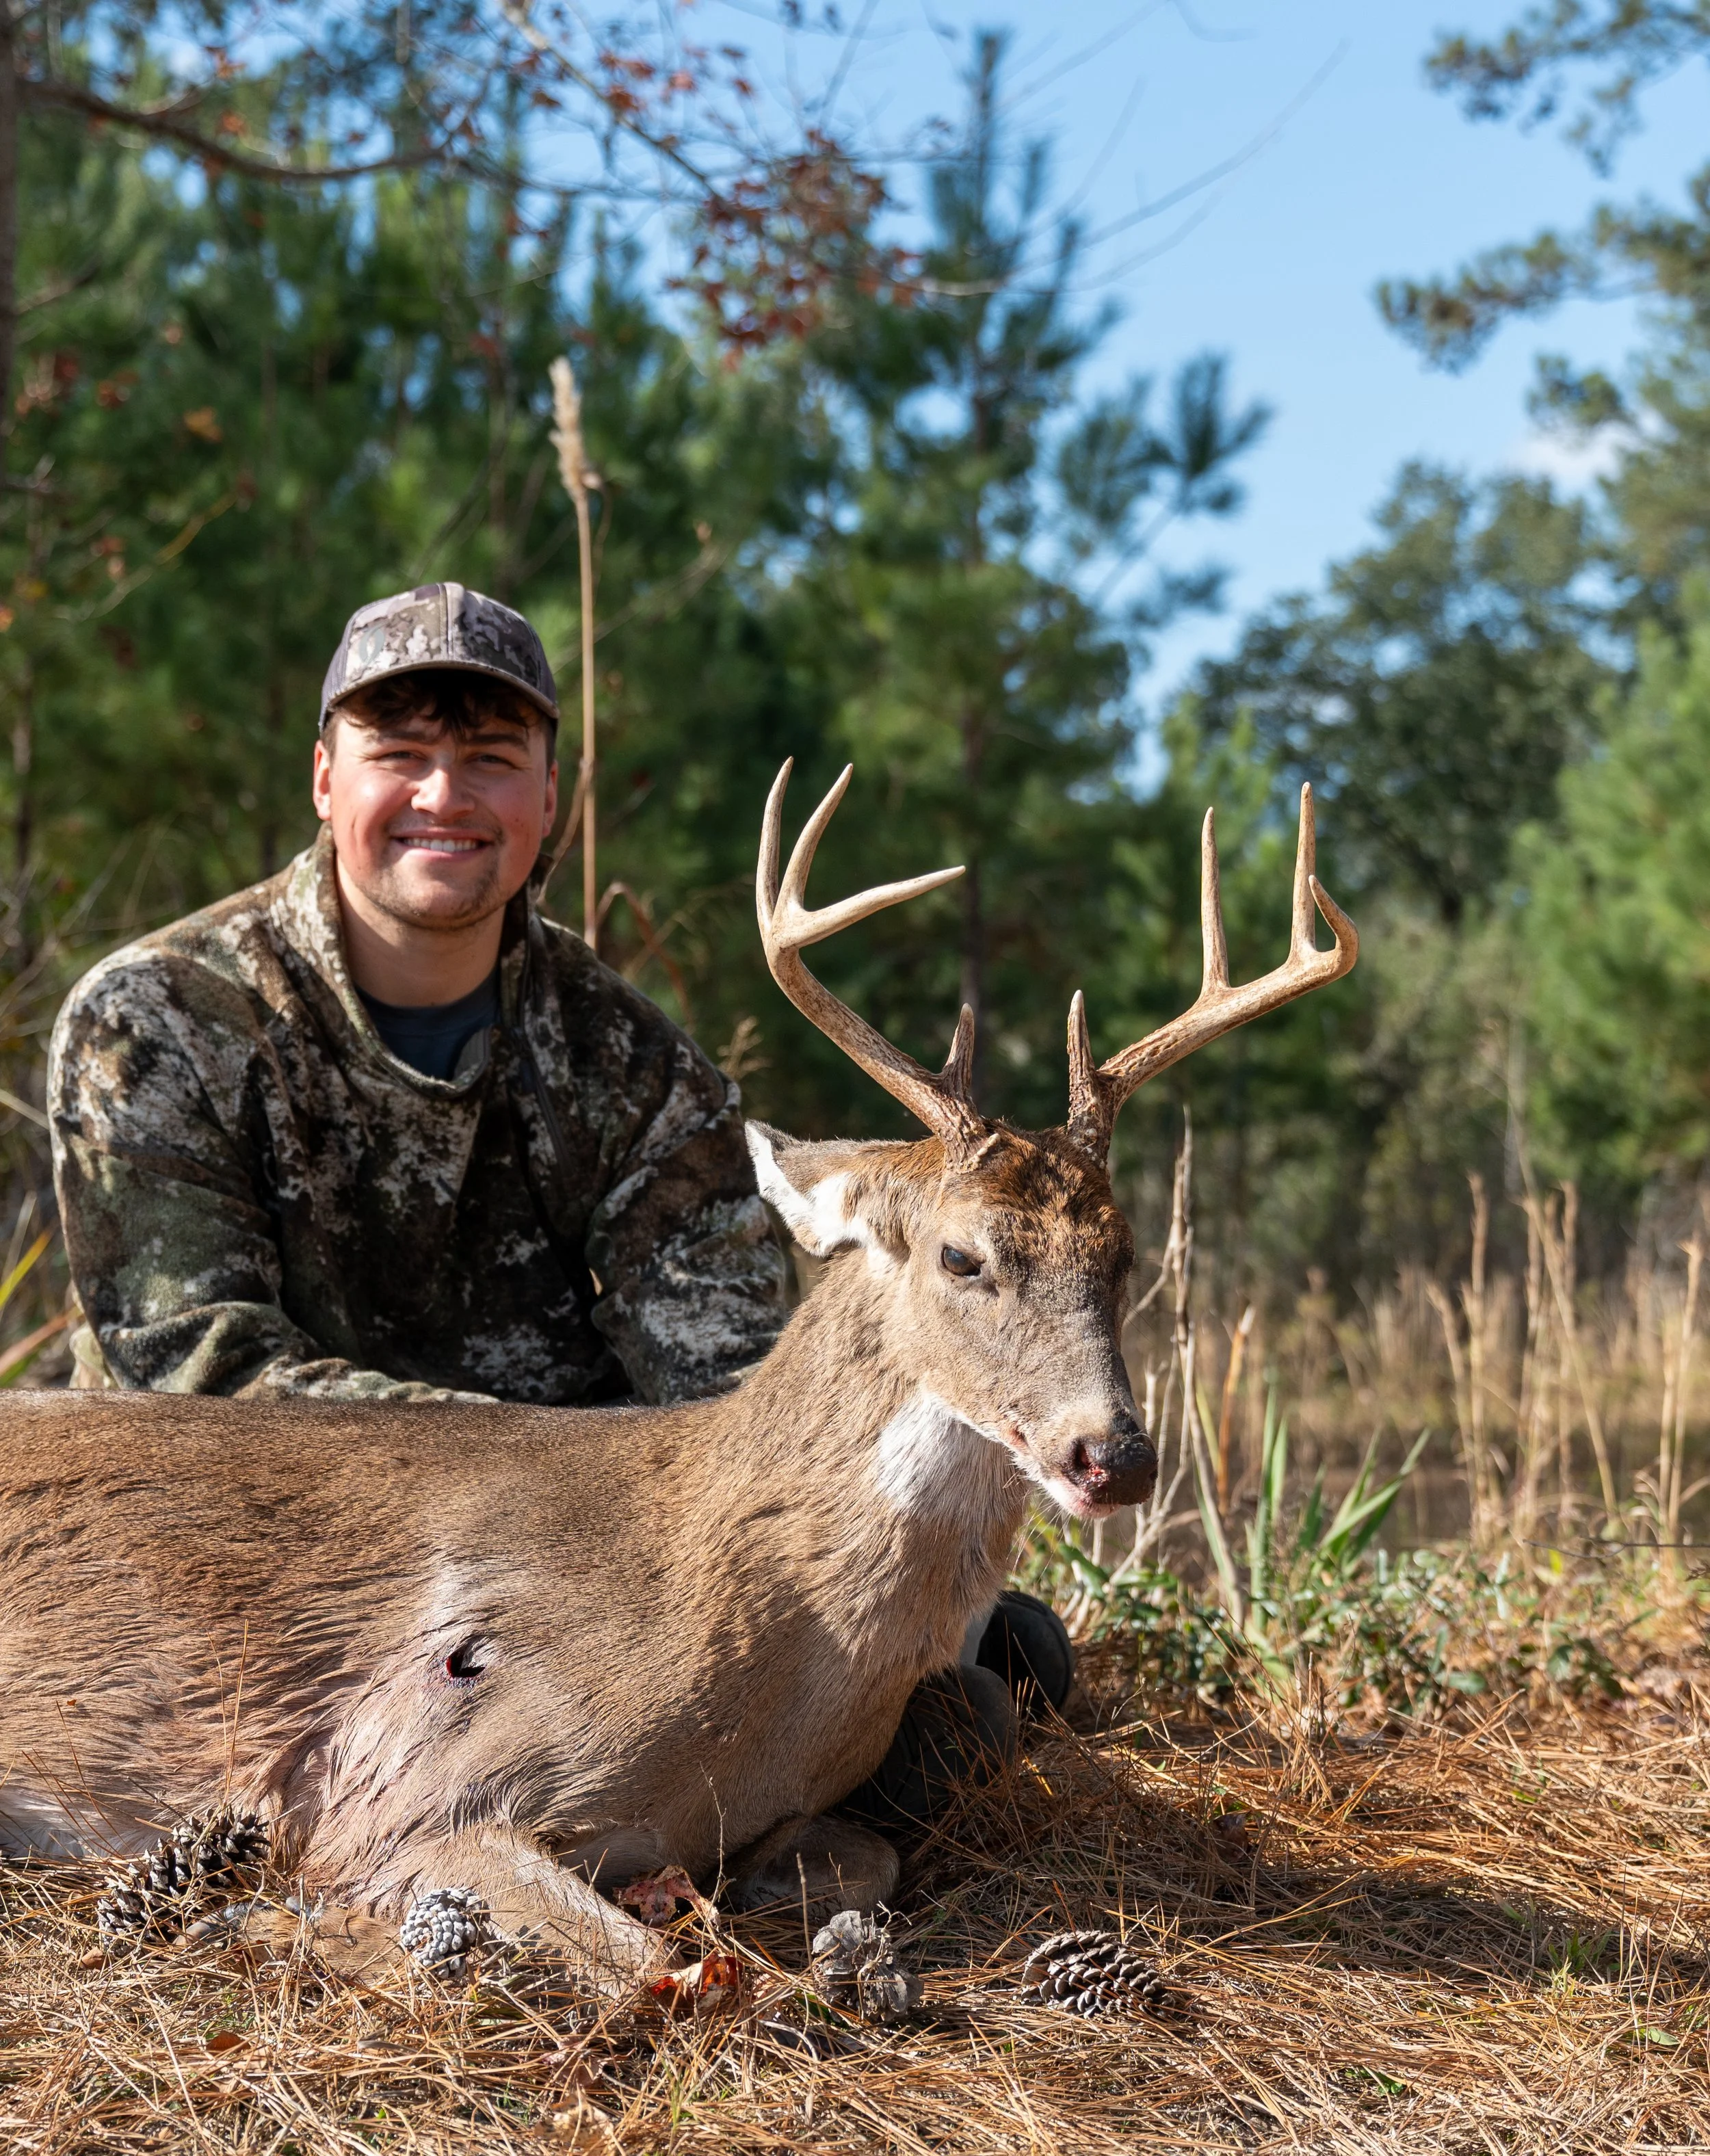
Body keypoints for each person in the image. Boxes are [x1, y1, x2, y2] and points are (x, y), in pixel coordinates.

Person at [48, 579, 1073, 1809]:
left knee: (991, 1652)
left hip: (559, 1594)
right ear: (324, 778)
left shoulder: (631, 1066)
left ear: (551, 800)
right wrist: (538, 1517)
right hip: (236, 1557)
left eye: (488, 758)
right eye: (398, 755)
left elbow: (734, 1385)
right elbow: (196, 1365)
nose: (443, 796)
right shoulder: (157, 1020)